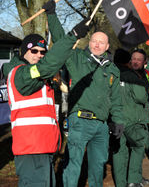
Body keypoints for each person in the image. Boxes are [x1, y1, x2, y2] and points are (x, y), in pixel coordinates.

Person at [43, 0, 124, 187]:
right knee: (73, 165)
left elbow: (116, 99)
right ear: (89, 42)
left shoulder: (113, 70)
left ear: (107, 46)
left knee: (98, 167)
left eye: (101, 42)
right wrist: (52, 15)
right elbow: (62, 40)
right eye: (94, 41)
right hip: (80, 121)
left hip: (102, 127)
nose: (96, 45)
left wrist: (118, 119)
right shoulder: (77, 58)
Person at [6, 20, 89, 187]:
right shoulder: (21, 74)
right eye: (34, 51)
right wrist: (71, 37)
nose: (39, 55)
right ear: (23, 53)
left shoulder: (42, 79)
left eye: (43, 52)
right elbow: (47, 66)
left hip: (45, 147)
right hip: (31, 149)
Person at [113, 48, 149, 187]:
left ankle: (121, 183)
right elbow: (141, 97)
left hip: (116, 119)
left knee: (119, 152)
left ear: (144, 62)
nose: (136, 61)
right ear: (129, 60)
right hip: (133, 120)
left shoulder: (114, 73)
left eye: (139, 59)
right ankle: (133, 180)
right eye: (134, 58)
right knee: (138, 147)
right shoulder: (133, 76)